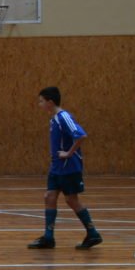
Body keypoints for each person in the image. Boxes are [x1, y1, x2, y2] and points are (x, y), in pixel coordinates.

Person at [28, 86, 101, 250]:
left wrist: (69, 153)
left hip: (68, 167)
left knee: (71, 200)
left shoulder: (64, 117)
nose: (39, 104)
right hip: (56, 167)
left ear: (50, 102)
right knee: (49, 197)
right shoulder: (54, 119)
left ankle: (93, 233)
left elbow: (81, 135)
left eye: (41, 101)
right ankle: (48, 237)